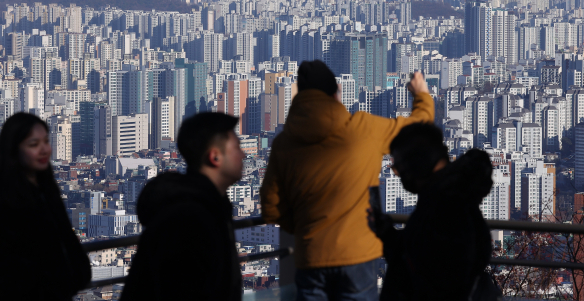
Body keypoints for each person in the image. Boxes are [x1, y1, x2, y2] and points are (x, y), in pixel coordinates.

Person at [261, 60, 434, 300]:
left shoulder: (283, 143)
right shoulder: (363, 128)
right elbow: (419, 129)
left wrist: (305, 226)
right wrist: (422, 95)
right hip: (359, 255)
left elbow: (271, 208)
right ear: (335, 94)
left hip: (310, 255)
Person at [121, 112, 245, 301]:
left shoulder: (208, 206)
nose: (243, 154)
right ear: (215, 157)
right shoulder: (189, 220)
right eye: (237, 147)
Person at [368, 123, 495, 301]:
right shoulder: (441, 198)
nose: (397, 173)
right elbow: (419, 253)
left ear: (420, 161)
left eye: (399, 166)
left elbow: (439, 276)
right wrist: (388, 234)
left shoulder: (449, 208)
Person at [0, 113, 91, 301]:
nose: (44, 150)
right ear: (14, 150)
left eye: (46, 141)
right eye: (33, 144)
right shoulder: (7, 199)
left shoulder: (46, 189)